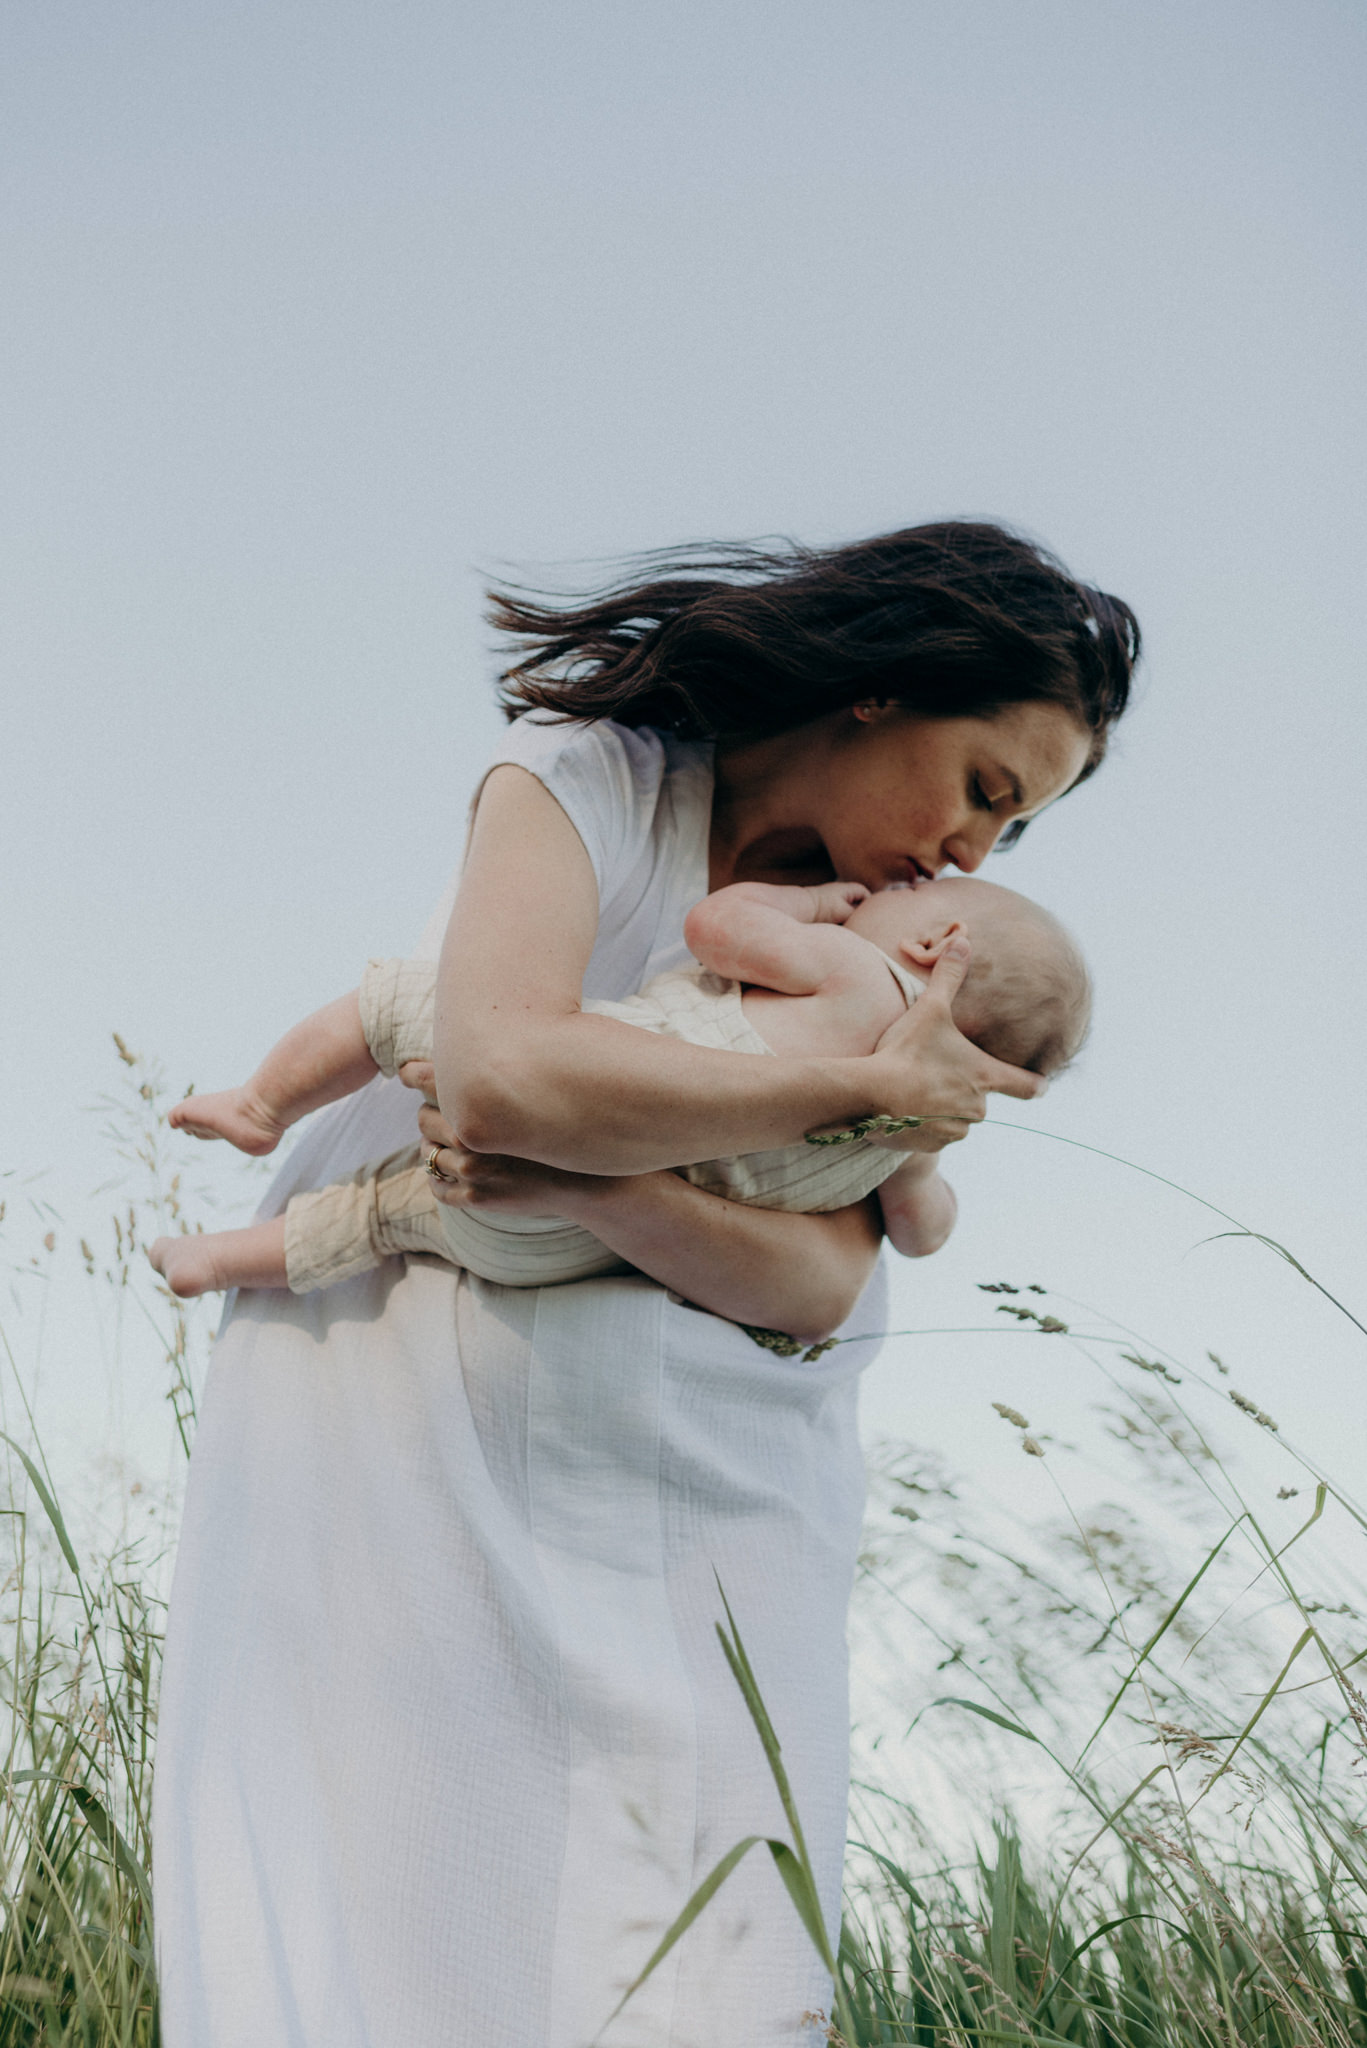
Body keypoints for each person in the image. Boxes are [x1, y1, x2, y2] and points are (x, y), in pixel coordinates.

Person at [152, 522, 1139, 2048]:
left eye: (1010, 834)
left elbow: (816, 1290)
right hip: (409, 1424)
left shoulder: (889, 968)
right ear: (880, 692)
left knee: (712, 1932)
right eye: (981, 789)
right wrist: (842, 1094)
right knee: (399, 1897)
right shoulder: (595, 784)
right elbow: (499, 1074)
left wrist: (622, 1168)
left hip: (721, 1488)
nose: (969, 858)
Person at [148, 872, 1090, 1305]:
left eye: (907, 889)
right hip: (543, 1249)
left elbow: (716, 926)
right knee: (384, 1216)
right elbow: (922, 1233)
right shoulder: (911, 1135)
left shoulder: (854, 970)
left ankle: (261, 1107)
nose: (880, 888)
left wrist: (804, 905)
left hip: (574, 1100)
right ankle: (218, 1260)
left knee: (398, 1000)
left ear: (929, 948)